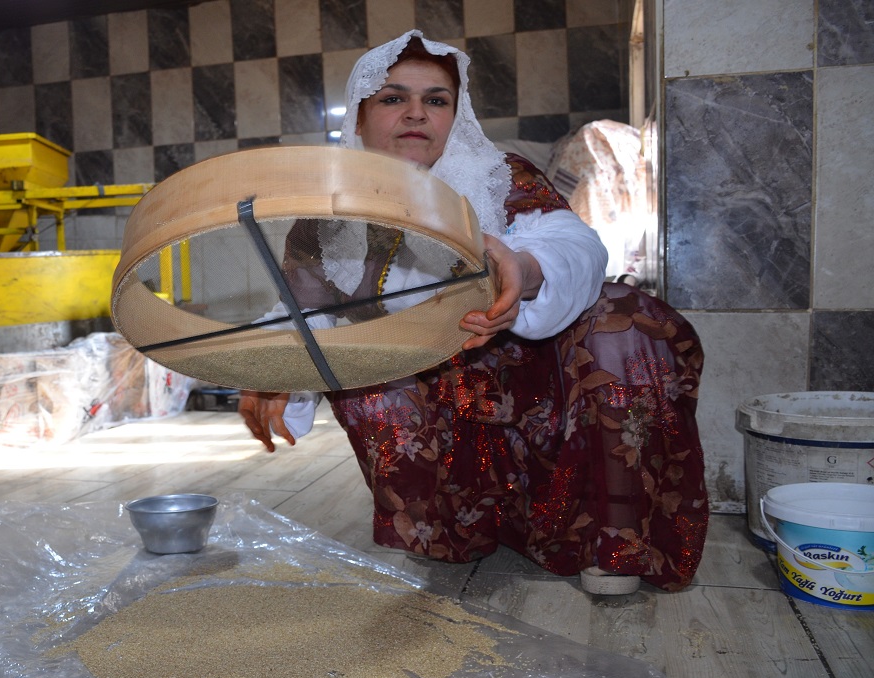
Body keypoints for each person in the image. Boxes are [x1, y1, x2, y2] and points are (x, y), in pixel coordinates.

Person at [238, 30, 707, 594]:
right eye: (393, 98)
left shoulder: (498, 176)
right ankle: (451, 529)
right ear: (360, 117)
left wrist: (523, 270)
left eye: (436, 99)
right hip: (427, 401)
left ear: (455, 115)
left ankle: (613, 541)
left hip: (536, 388)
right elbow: (305, 311)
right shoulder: (326, 217)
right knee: (361, 366)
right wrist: (276, 371)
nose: (416, 113)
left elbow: (575, 246)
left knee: (626, 318)